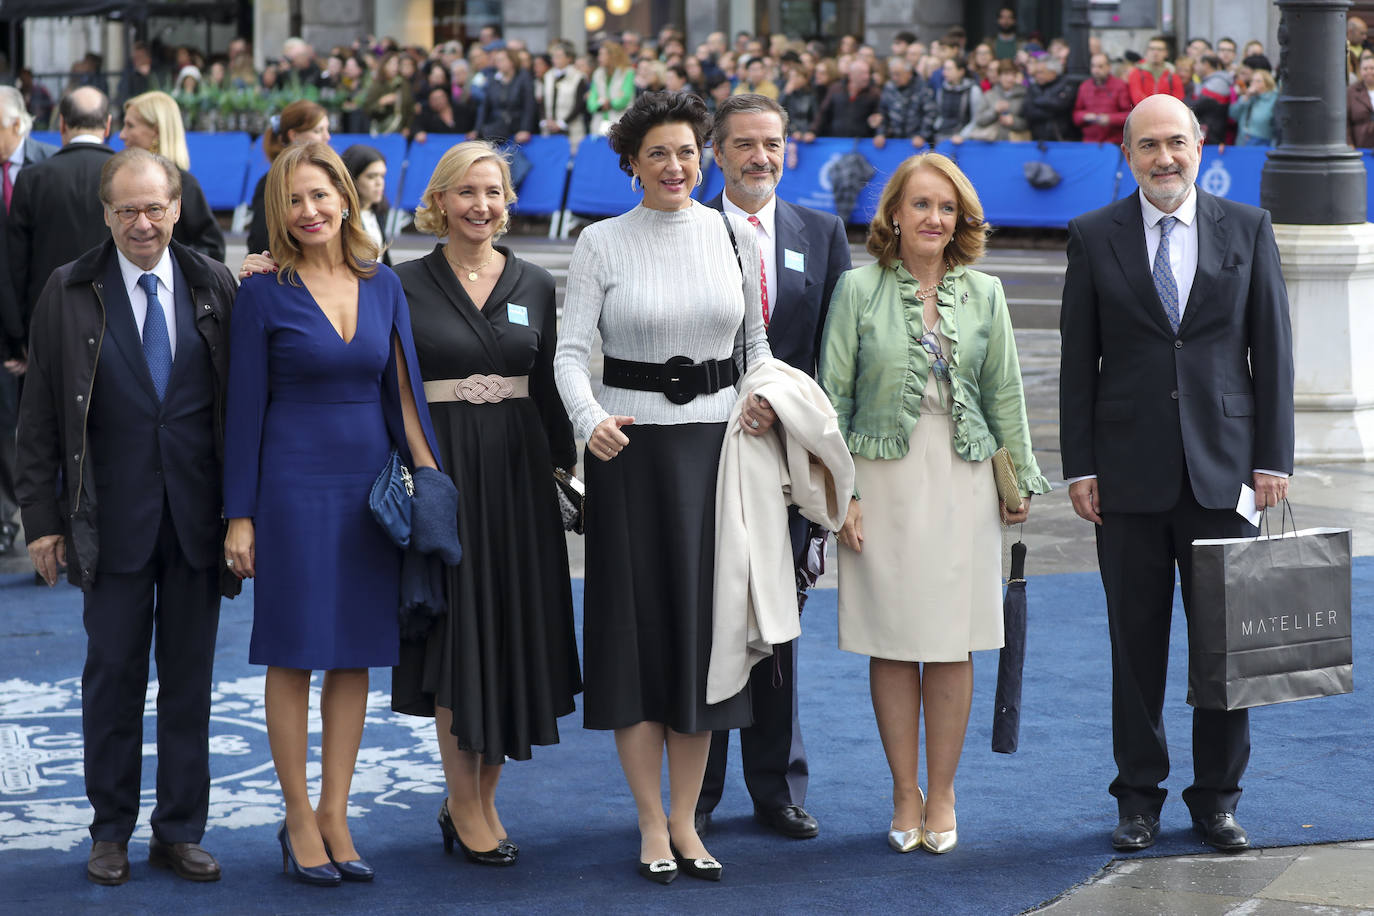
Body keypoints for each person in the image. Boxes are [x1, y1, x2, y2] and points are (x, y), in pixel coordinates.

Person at [1059, 94, 1294, 855]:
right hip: (1124, 478)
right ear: (1126, 155)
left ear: (1202, 146)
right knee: (1135, 648)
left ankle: (1218, 799)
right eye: (1148, 146)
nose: (1164, 158)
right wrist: (1080, 466)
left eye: (1177, 144)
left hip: (1226, 475)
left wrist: (1272, 460)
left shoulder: (1248, 229)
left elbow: (1273, 354)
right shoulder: (1095, 236)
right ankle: (1138, 800)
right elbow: (1076, 364)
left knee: (1226, 650)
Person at [554, 91, 771, 885]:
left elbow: (756, 343)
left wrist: (757, 401)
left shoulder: (733, 235)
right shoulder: (601, 243)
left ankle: (687, 822)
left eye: (687, 152)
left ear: (703, 156)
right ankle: (650, 822)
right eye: (657, 155)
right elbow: (570, 354)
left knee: (703, 642)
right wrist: (589, 421)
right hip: (630, 460)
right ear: (631, 165)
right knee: (636, 645)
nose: (675, 166)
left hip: (717, 459)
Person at [16, 147, 238, 885]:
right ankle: (109, 829)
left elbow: (238, 407)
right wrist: (41, 520)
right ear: (106, 213)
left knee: (189, 683)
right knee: (111, 680)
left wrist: (243, 515)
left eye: (155, 208)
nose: (142, 223)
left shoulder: (213, 284)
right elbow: (40, 414)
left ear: (176, 208)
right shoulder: (69, 289)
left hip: (195, 520)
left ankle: (179, 830)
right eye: (127, 210)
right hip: (105, 522)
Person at [222, 142, 443, 886]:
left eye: (320, 195)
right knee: (292, 653)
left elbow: (405, 395)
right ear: (277, 213)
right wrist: (240, 516)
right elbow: (243, 410)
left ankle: (336, 813)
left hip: (367, 494)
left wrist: (432, 486)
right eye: (293, 200)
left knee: (354, 656)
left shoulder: (382, 285)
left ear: (345, 198)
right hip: (290, 489)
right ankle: (295, 816)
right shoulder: (262, 290)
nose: (309, 211)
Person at [819, 152, 1045, 857]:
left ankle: (943, 791)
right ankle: (904, 792)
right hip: (879, 482)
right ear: (893, 214)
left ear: (961, 220)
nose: (934, 219)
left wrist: (1020, 482)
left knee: (950, 643)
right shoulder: (857, 289)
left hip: (965, 478)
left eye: (946, 208)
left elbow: (1005, 392)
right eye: (921, 205)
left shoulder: (987, 293)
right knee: (890, 642)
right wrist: (842, 493)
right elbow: (831, 398)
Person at [390, 141, 581, 867]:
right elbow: (394, 384)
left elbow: (552, 385)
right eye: (466, 192)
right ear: (438, 200)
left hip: (520, 475)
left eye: (494, 192)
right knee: (457, 635)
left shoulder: (535, 280)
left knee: (508, 632)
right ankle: (465, 804)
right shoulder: (401, 283)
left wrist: (571, 468)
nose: (481, 206)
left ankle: (481, 797)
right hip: (444, 472)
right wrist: (420, 468)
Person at [696, 94, 851, 841]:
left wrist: (791, 414)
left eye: (773, 143)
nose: (761, 157)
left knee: (779, 620)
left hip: (787, 459)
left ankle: (776, 786)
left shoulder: (820, 233)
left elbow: (834, 353)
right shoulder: (686, 230)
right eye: (745, 144)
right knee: (712, 614)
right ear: (715, 154)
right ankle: (699, 786)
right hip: (705, 455)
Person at [7, 87, 114, 347]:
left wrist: (18, 335)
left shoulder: (32, 178)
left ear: (62, 123)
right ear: (108, 124)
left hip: (48, 323)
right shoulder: (129, 174)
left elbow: (15, 265)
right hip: (116, 319)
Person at [0, 86, 56, 557]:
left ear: (18, 124)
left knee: (42, 424)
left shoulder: (49, 165)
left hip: (45, 322)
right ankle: (4, 519)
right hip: (2, 326)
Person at [120, 92, 226, 262]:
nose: (122, 135)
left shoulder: (185, 185)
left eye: (130, 126)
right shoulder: (122, 182)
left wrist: (166, 265)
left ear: (155, 131)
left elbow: (213, 250)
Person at [245, 100, 330, 258]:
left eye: (319, 195)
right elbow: (261, 240)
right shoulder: (272, 182)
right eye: (318, 130)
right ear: (293, 135)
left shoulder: (329, 175)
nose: (327, 137)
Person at [340, 144, 392, 266]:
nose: (379, 183)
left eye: (382, 176)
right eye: (371, 176)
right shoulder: (342, 216)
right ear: (353, 179)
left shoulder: (379, 212)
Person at [807, 57, 882, 139]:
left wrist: (879, 132)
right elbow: (823, 112)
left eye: (868, 73)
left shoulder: (874, 93)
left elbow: (880, 116)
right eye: (862, 74)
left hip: (862, 141)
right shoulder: (836, 89)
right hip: (837, 141)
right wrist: (812, 131)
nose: (866, 77)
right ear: (851, 75)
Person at [473, 46, 535, 144]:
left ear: (512, 61)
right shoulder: (493, 79)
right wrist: (477, 129)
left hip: (516, 125)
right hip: (496, 125)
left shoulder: (524, 78)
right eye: (496, 60)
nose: (498, 63)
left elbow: (529, 106)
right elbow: (485, 107)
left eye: (501, 60)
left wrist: (525, 129)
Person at [873, 57, 935, 149]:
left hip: (916, 141)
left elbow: (930, 113)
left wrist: (922, 135)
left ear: (909, 73)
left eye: (898, 74)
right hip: (894, 140)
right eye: (892, 74)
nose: (894, 78)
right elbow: (883, 112)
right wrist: (881, 133)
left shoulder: (922, 87)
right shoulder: (889, 87)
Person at [1073, 52, 1131, 145]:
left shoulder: (1120, 85)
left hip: (1114, 143)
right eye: (1093, 66)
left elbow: (1129, 115)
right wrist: (1084, 116)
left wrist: (1110, 119)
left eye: (1100, 66)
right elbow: (1076, 114)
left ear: (1109, 67)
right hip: (1090, 142)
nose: (1096, 70)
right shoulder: (1084, 86)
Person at [542, 39, 588, 151]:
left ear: (569, 58)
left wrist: (562, 123)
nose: (555, 60)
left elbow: (579, 104)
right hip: (550, 129)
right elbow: (543, 101)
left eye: (559, 56)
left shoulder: (578, 77)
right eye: (553, 56)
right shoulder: (548, 76)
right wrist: (546, 120)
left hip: (571, 129)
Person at [968, 58, 1029, 141]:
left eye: (1013, 75)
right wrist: (994, 111)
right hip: (993, 143)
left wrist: (1013, 121)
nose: (1010, 78)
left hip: (1015, 143)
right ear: (999, 76)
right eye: (1006, 74)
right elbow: (979, 120)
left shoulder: (1024, 94)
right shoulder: (990, 94)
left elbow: (1029, 122)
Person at [1023, 56, 1081, 142]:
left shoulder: (1067, 85)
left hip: (1063, 140)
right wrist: (1050, 109)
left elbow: (1061, 105)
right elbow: (1028, 110)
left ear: (1053, 73)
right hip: (1038, 140)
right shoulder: (1033, 88)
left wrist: (1038, 101)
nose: (1037, 76)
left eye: (1041, 72)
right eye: (1036, 73)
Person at [587, 40, 635, 136]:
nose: (599, 58)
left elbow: (623, 99)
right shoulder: (597, 73)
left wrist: (609, 103)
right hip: (599, 125)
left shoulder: (627, 72)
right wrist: (601, 104)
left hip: (621, 122)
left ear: (612, 55)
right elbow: (591, 104)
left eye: (602, 55)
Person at [362, 51, 415, 136]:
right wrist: (382, 102)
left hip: (400, 132)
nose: (395, 67)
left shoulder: (404, 84)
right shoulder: (377, 85)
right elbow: (367, 109)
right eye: (391, 64)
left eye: (397, 64)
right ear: (384, 66)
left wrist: (407, 127)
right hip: (381, 131)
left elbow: (410, 108)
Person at [931, 55, 981, 142]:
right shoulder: (941, 90)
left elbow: (976, 119)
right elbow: (939, 114)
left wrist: (963, 135)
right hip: (941, 136)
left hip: (963, 140)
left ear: (961, 71)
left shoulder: (973, 90)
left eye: (949, 69)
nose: (944, 73)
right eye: (944, 69)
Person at [1129, 37, 1185, 104]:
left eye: (1159, 49)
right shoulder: (1136, 73)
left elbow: (1178, 99)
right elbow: (1137, 98)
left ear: (1166, 53)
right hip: (1144, 112)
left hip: (1167, 112)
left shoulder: (1173, 74)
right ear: (1147, 51)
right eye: (1152, 49)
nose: (1155, 53)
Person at [1230, 69, 1278, 145]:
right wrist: (1245, 97)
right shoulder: (1247, 98)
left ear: (1267, 84)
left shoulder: (1273, 99)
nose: (1253, 84)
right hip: (1242, 141)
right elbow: (1233, 114)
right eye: (1252, 81)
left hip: (1263, 142)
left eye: (1258, 81)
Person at [1192, 54, 1233, 144]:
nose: (1194, 67)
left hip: (1213, 136)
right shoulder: (1210, 82)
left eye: (1197, 64)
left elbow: (1196, 107)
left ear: (1206, 64)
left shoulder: (1217, 84)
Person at [1348, 54, 1374, 147]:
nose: (1369, 71)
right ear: (1360, 71)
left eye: (1372, 68)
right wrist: (1350, 144)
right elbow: (1346, 122)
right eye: (1365, 69)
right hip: (1361, 147)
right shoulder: (1351, 92)